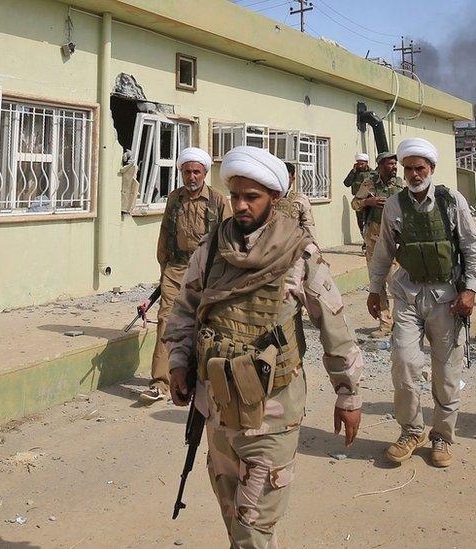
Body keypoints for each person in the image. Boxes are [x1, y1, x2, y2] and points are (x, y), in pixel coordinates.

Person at [164, 146, 364, 547]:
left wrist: (349, 393)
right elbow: (185, 309)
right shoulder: (211, 249)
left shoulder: (299, 253)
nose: (240, 205)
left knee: (253, 527)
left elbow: (333, 324)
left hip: (273, 411)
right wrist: (178, 362)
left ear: (274, 197)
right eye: (235, 195)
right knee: (231, 514)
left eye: (251, 197)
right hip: (219, 407)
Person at [367, 137, 476, 468]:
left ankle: (442, 437)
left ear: (431, 169)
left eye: (420, 168)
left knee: (446, 372)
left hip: (447, 298)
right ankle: (411, 431)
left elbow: (472, 246)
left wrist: (471, 289)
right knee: (404, 364)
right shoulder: (394, 205)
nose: (414, 174)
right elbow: (384, 249)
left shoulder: (451, 201)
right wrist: (375, 289)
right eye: (409, 169)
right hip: (407, 294)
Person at [141, 147, 230, 403]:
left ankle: (203, 376)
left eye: (196, 172)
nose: (192, 177)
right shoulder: (174, 199)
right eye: (187, 172)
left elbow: (229, 237)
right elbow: (164, 235)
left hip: (208, 271)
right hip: (176, 269)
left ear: (204, 173)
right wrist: (164, 271)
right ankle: (160, 382)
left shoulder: (218, 200)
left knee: (207, 321)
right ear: (181, 172)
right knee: (166, 320)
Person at [352, 151, 404, 334]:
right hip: (374, 236)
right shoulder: (370, 183)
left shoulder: (400, 183)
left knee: (397, 279)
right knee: (377, 278)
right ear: (380, 165)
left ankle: (403, 321)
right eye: (390, 164)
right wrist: (368, 201)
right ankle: (385, 322)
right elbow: (355, 204)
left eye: (395, 164)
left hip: (396, 236)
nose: (394, 167)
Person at [343, 152, 373, 242]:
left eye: (362, 163)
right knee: (361, 223)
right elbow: (346, 183)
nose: (360, 166)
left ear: (366, 163)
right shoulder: (354, 173)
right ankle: (365, 241)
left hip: (370, 201)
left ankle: (368, 241)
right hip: (358, 202)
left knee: (370, 222)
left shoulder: (372, 173)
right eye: (358, 163)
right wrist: (353, 172)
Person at [281, 162, 316, 238]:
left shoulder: (301, 199)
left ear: (293, 179)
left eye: (287, 178)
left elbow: (308, 226)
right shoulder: (268, 198)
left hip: (293, 245)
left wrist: (313, 245)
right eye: (281, 177)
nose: (283, 181)